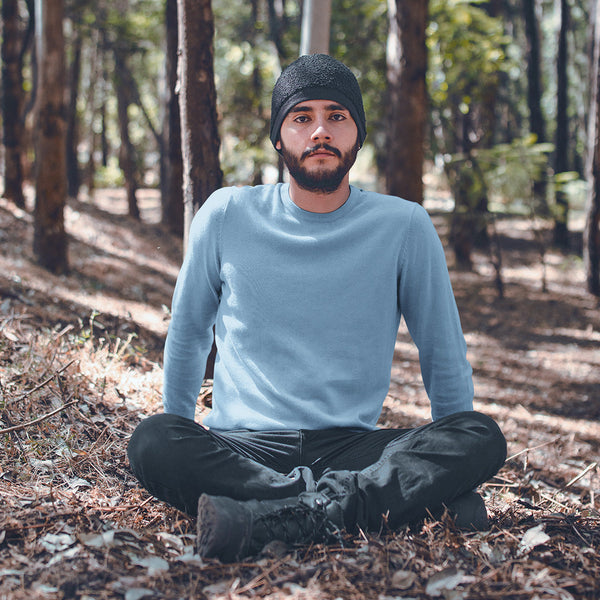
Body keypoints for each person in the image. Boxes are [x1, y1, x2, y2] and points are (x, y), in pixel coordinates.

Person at [127, 54, 506, 563]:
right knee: (153, 440)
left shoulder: (404, 227)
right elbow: (190, 332)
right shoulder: (226, 214)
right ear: (279, 137)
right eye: (302, 117)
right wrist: (181, 432)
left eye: (337, 116)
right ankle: (349, 510)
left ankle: (294, 513)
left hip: (352, 450)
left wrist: (451, 458)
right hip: (243, 448)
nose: (320, 131)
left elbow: (442, 351)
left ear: (357, 134)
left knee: (478, 435)